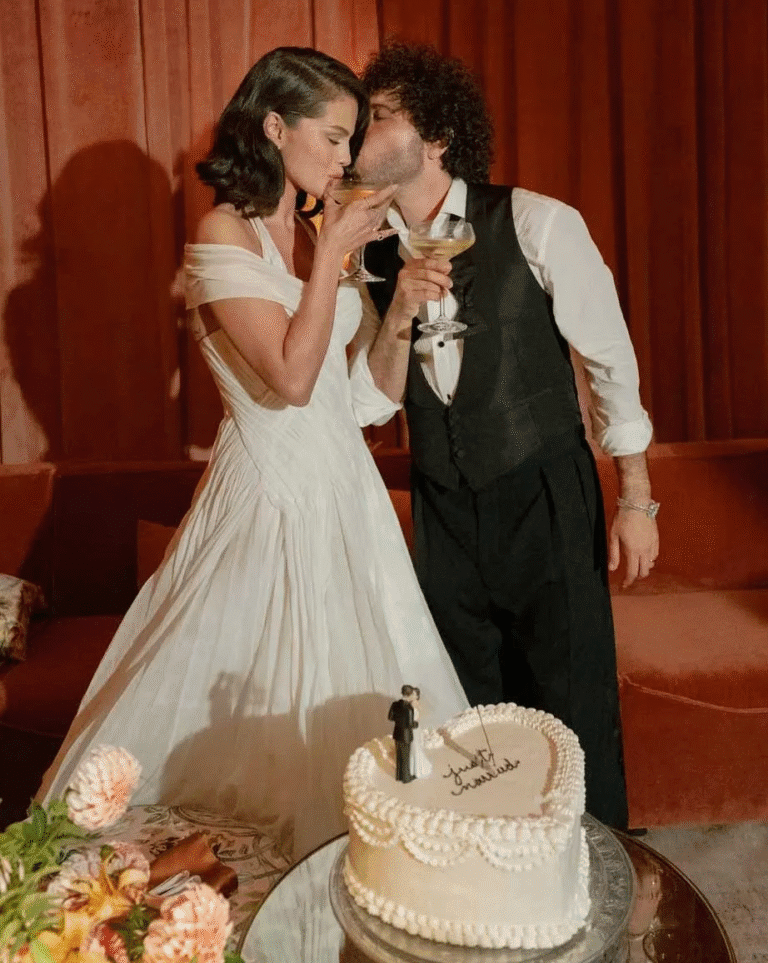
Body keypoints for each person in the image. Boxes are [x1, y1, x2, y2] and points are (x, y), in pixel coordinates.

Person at [37, 46, 467, 860]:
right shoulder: (221, 232)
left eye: (351, 142)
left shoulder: (310, 232)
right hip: (269, 501)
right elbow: (292, 381)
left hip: (348, 502)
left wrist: (402, 309)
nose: (345, 160)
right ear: (274, 126)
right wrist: (333, 253)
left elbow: (362, 401)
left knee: (374, 728)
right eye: (333, 138)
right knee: (245, 762)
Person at [348, 41, 660, 831]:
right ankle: (495, 871)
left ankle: (593, 867)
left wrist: (637, 500)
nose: (359, 132)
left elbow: (610, 362)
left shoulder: (537, 221)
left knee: (572, 698)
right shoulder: (368, 256)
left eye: (380, 116)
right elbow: (368, 406)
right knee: (468, 711)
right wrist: (396, 307)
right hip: (443, 509)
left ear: (437, 138)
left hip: (544, 493)